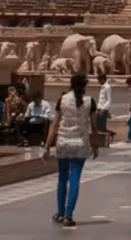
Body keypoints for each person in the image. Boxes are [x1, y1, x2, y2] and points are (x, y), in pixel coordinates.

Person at [44, 73, 99, 227]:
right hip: (80, 145)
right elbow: (94, 127)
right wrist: (95, 146)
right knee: (74, 179)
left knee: (62, 179)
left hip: (63, 143)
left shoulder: (62, 100)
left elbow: (54, 124)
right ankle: (69, 215)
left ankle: (60, 213)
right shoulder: (90, 102)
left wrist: (47, 146)